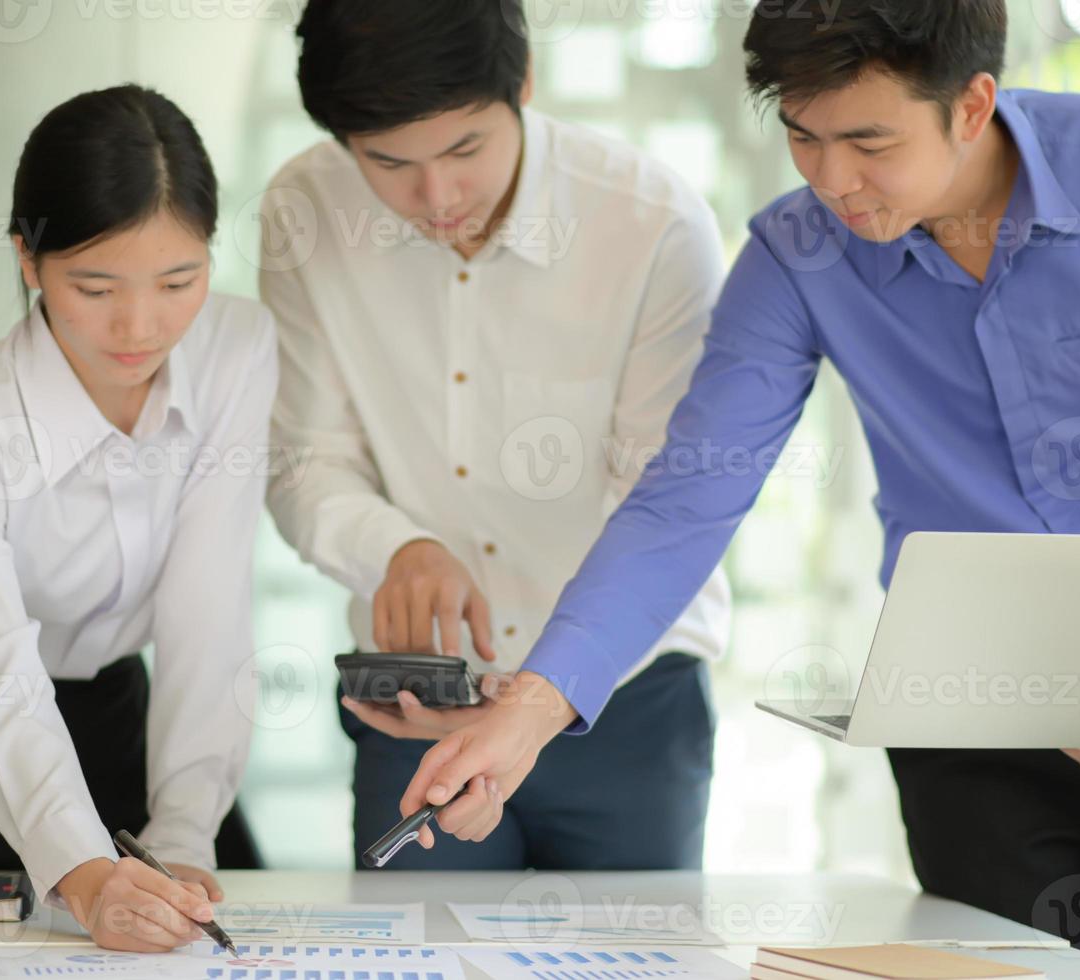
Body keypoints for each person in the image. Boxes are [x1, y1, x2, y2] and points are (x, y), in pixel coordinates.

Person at [392, 2, 1080, 976]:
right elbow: (689, 496)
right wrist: (529, 710)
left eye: (868, 141)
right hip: (971, 701)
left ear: (972, 106)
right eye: (802, 135)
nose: (831, 180)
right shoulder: (797, 255)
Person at [259, 0, 731, 870]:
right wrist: (396, 548)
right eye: (387, 162)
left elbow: (665, 502)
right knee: (411, 961)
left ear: (523, 84)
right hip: (416, 701)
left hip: (623, 702)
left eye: (464, 149)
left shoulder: (651, 223)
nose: (434, 198)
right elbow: (301, 461)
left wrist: (540, 695)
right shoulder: (304, 210)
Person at [0, 84, 278, 953]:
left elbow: (207, 608)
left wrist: (179, 830)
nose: (141, 326)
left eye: (179, 280)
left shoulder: (238, 349)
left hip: (113, 716)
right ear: (27, 259)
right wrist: (82, 870)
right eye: (95, 286)